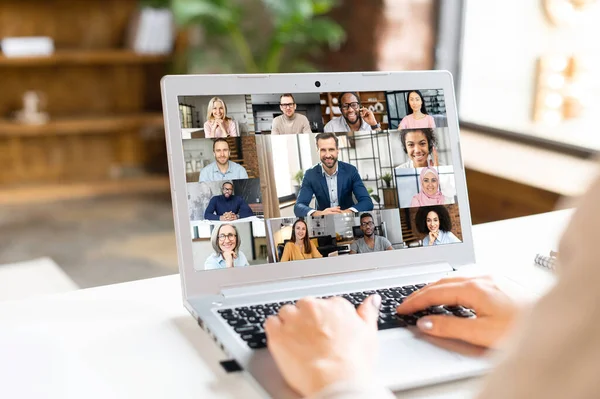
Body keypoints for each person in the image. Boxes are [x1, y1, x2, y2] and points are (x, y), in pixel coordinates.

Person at [264, 164, 600, 398]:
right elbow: (301, 208)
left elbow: (366, 202)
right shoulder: (307, 189)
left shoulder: (355, 184)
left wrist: (337, 379)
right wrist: (539, 327)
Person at [294, 133, 373, 217]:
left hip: (348, 219)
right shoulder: (310, 174)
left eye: (331, 149)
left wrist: (345, 212)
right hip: (323, 222)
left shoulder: (351, 171)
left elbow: (367, 202)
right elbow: (298, 206)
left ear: (337, 150)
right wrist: (320, 213)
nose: (328, 155)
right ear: (317, 151)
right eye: (323, 150)